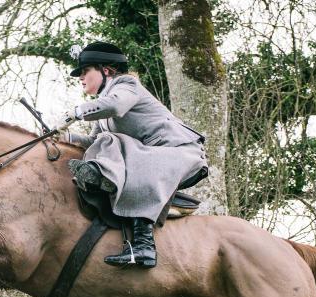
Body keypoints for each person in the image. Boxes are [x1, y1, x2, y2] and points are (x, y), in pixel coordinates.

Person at [56, 42, 207, 268]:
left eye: (86, 71)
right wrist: (64, 137)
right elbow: (94, 141)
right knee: (106, 140)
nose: (81, 77)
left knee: (112, 140)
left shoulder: (126, 84)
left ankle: (143, 245)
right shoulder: (103, 108)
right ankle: (139, 245)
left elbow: (116, 105)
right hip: (150, 156)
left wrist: (76, 112)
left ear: (106, 70)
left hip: (180, 152)